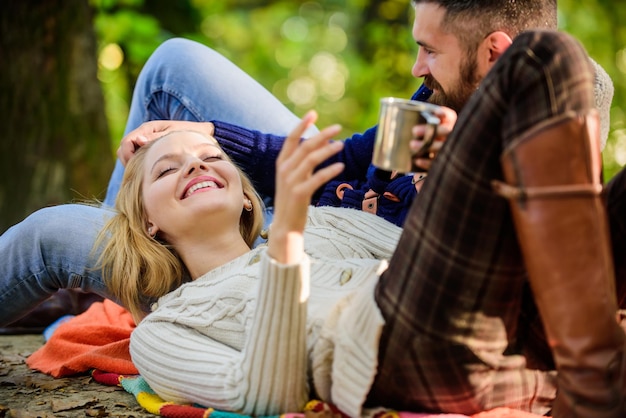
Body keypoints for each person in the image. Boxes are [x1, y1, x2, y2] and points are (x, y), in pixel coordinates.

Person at [102, 23, 625, 417]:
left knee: (561, 65)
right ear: (147, 220)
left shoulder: (326, 223)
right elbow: (261, 396)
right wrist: (285, 245)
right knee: (539, 59)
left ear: (246, 195)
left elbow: (420, 245)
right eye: (168, 169)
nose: (196, 162)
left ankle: (588, 353)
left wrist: (450, 174)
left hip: (502, 318)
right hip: (394, 345)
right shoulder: (163, 330)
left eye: (212, 157)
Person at [0, 0, 613, 328]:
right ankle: (131, 262)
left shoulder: (539, 144)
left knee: (45, 236)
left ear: (496, 53)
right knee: (172, 69)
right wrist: (202, 138)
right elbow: (345, 162)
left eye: (428, 50)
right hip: (309, 204)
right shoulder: (446, 98)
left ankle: (132, 270)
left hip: (286, 262)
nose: (415, 70)